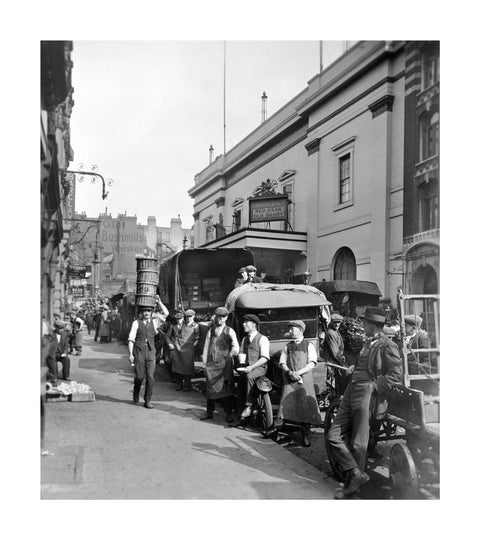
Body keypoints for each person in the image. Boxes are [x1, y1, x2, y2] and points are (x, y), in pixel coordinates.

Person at [325, 307, 403, 498]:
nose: (362, 325)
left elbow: (395, 375)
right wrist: (355, 367)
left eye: (364, 322)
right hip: (352, 389)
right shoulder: (368, 342)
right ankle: (355, 473)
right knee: (333, 435)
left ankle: (355, 488)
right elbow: (366, 365)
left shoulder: (387, 345)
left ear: (372, 324)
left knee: (359, 443)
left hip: (366, 392)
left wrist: (374, 387)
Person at [276, 320, 322, 447]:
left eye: (292, 329)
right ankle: (282, 432)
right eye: (290, 329)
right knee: (286, 405)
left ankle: (305, 435)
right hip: (290, 380)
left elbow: (312, 363)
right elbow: (282, 362)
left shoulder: (309, 345)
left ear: (300, 331)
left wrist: (299, 373)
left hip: (304, 380)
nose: (290, 331)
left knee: (304, 407)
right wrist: (289, 372)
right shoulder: (287, 346)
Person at [201, 307, 240, 422]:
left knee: (226, 389)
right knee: (210, 388)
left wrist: (231, 354)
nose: (220, 319)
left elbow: (236, 347)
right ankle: (209, 413)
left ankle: (228, 414)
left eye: (223, 317)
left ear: (226, 318)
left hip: (224, 365)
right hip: (211, 365)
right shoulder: (211, 330)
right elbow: (206, 347)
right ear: (215, 317)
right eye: (218, 317)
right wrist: (204, 363)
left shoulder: (230, 331)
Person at [128, 305, 163, 409]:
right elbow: (131, 339)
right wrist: (130, 354)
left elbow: (166, 314)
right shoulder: (136, 323)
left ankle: (147, 400)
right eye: (144, 311)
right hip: (139, 351)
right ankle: (136, 391)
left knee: (151, 377)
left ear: (151, 312)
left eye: (148, 311)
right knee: (139, 376)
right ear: (141, 313)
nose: (146, 313)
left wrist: (160, 302)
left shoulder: (155, 322)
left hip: (151, 352)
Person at [238, 313, 270, 420]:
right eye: (244, 322)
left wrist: (251, 367)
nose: (243, 324)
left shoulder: (262, 339)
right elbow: (241, 353)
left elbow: (265, 358)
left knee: (249, 377)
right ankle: (240, 415)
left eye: (246, 322)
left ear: (253, 325)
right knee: (240, 383)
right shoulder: (244, 340)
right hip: (247, 367)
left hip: (259, 368)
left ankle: (249, 406)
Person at [166, 310, 200, 392]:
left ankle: (187, 385)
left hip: (189, 350)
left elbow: (197, 338)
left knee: (188, 367)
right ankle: (180, 385)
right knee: (179, 366)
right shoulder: (183, 324)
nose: (188, 318)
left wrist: (192, 346)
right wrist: (175, 344)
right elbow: (178, 335)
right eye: (187, 316)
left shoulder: (196, 326)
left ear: (194, 316)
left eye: (190, 316)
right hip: (179, 348)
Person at [323, 313, 349, 395]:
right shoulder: (331, 333)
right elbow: (335, 352)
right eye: (335, 322)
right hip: (333, 363)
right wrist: (343, 364)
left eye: (339, 322)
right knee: (338, 385)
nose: (337, 324)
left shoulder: (336, 331)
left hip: (337, 361)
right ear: (331, 322)